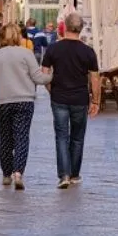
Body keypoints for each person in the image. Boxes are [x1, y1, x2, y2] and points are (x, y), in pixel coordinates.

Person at [0, 23, 52, 190]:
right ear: (18, 36)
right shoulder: (26, 54)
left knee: (5, 138)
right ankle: (18, 173)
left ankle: (5, 174)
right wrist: (52, 76)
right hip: (24, 100)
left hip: (1, 101)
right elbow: (38, 78)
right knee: (22, 136)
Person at [42, 13, 100, 189]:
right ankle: (74, 174)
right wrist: (96, 101)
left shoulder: (53, 49)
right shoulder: (88, 51)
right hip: (80, 99)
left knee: (61, 136)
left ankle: (64, 175)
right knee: (77, 138)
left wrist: (52, 90)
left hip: (59, 97)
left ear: (65, 27)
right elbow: (96, 79)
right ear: (80, 29)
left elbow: (44, 74)